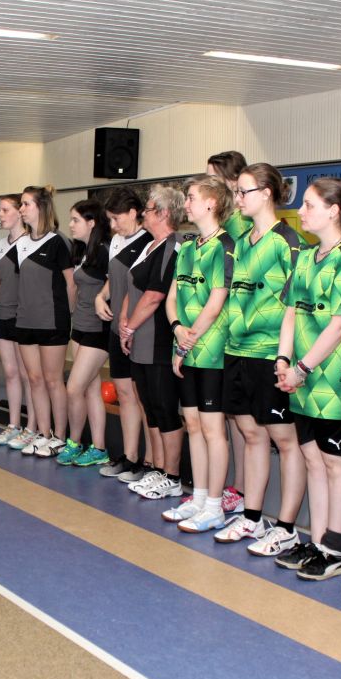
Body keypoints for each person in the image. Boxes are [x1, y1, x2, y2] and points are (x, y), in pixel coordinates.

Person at [273, 178, 341, 581]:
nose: (301, 211)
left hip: (331, 379)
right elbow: (291, 311)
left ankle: (336, 548)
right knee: (313, 460)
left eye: (309, 205)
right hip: (301, 377)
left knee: (337, 464)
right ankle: (317, 539)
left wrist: (302, 368)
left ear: (334, 211)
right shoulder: (307, 256)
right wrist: (283, 359)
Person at [213, 163, 307, 557]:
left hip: (270, 354)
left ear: (267, 193)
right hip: (237, 351)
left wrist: (288, 358)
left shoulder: (288, 242)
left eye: (243, 192)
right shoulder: (242, 241)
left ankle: (286, 527)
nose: (237, 199)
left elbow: (296, 307)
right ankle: (252, 517)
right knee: (251, 435)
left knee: (286, 441)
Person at [162, 175, 235, 531]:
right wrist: (178, 329)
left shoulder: (225, 246)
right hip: (185, 346)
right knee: (192, 423)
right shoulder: (188, 247)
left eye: (191, 197)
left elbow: (217, 300)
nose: (186, 204)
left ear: (211, 203)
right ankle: (200, 496)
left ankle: (216, 505)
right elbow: (172, 296)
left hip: (213, 350)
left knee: (212, 428)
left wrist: (189, 340)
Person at [119, 184, 185, 499]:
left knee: (165, 408)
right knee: (151, 409)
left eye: (147, 209)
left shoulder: (173, 246)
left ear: (163, 212)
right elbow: (133, 287)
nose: (143, 213)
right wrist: (124, 321)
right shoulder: (149, 246)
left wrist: (129, 327)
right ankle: (158, 469)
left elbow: (155, 295)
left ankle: (172, 475)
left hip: (159, 339)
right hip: (140, 340)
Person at [95, 188, 154, 480]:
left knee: (144, 398)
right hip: (116, 330)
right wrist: (100, 296)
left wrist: (131, 323)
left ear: (133, 213)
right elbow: (113, 279)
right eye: (110, 220)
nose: (113, 225)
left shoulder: (149, 241)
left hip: (140, 331)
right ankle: (130, 457)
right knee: (124, 394)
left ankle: (151, 461)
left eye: (117, 218)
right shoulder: (116, 241)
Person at [206, 149, 252, 516]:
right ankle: (233, 486)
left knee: (243, 423)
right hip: (223, 335)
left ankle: (242, 489)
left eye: (213, 177)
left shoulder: (238, 227)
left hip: (239, 333)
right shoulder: (224, 224)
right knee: (230, 418)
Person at [13, 185, 74, 458]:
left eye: (26, 204)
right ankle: (43, 433)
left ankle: (59, 437)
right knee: (34, 379)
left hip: (52, 322)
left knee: (52, 380)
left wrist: (67, 316)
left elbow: (71, 285)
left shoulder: (58, 242)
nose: (22, 209)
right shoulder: (22, 244)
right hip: (26, 321)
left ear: (40, 207)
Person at [57, 199, 111, 467]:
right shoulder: (81, 251)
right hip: (79, 326)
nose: (71, 225)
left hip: (98, 329)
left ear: (92, 223)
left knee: (73, 388)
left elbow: (114, 283)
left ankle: (74, 442)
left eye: (76, 220)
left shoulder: (104, 251)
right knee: (90, 389)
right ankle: (99, 448)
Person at [0, 194, 34, 446]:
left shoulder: (29, 242)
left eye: (5, 210)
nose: (0, 215)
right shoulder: (0, 244)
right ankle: (14, 424)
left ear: (20, 212)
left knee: (28, 375)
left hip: (24, 315)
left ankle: (33, 427)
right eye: (0, 210)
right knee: (10, 372)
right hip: (4, 313)